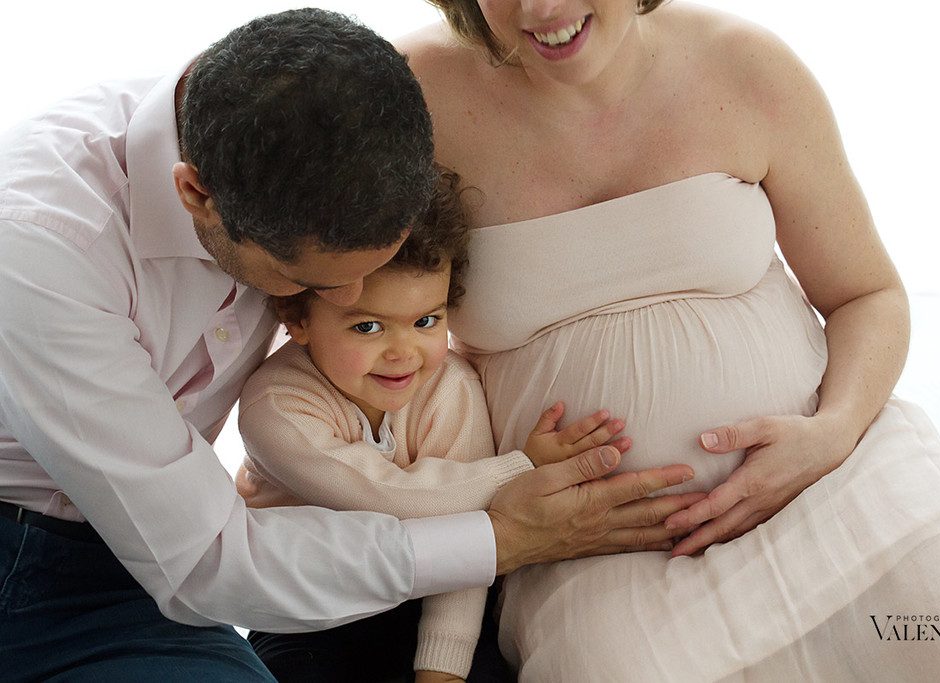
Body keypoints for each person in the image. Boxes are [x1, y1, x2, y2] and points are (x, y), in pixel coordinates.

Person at [0, 8, 696, 680]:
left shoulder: (314, 119)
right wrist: (505, 537)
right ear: (197, 196)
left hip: (155, 552)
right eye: (307, 282)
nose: (351, 301)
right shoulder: (44, 249)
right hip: (40, 549)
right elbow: (207, 564)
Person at [398, 0, 940, 678]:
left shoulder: (744, 65)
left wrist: (833, 432)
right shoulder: (414, 99)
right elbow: (347, 308)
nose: (542, 8)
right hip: (602, 553)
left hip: (831, 483)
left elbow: (867, 295)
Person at [235, 170, 630, 682]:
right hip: (311, 613)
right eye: (367, 326)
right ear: (298, 318)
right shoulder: (276, 405)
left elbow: (470, 543)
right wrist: (520, 468)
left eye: (426, 321)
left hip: (430, 597)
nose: (403, 354)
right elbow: (391, 497)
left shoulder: (450, 388)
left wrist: (440, 670)